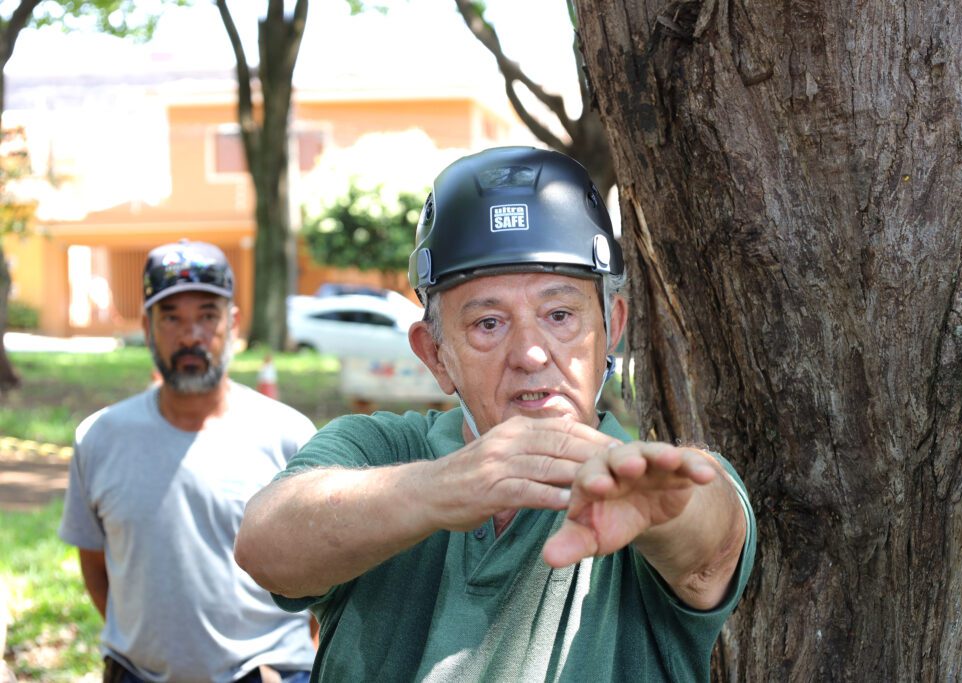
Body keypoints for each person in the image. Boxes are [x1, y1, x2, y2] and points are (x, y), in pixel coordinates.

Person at [235, 147, 757, 681]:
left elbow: (711, 544)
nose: (531, 353)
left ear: (612, 328)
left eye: (560, 315)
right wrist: (439, 490)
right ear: (436, 354)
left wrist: (665, 513)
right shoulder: (379, 451)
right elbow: (264, 545)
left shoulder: (642, 481)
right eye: (488, 323)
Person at [59, 240, 317, 683]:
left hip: (267, 673)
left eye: (207, 316)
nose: (191, 335)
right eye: (172, 317)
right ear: (147, 327)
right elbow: (96, 566)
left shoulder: (289, 437)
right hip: (136, 673)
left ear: (232, 325)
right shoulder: (99, 438)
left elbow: (322, 574)